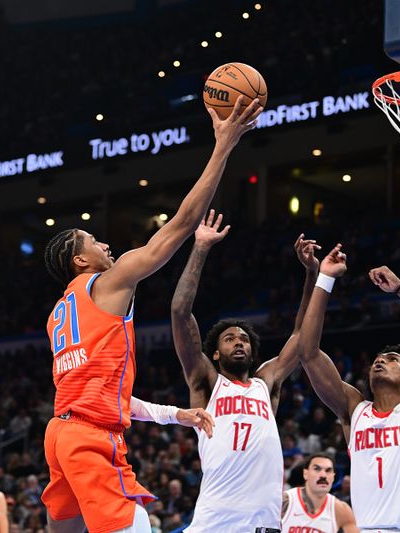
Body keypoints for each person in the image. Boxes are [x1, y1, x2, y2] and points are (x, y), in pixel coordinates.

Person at [41, 96, 263, 533]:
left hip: (61, 434)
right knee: (139, 524)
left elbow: (104, 396)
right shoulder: (108, 282)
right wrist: (224, 145)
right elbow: (181, 224)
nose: (104, 245)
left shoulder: (57, 315)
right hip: (90, 439)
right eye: (92, 241)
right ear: (78, 260)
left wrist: (174, 414)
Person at [168, 210, 321, 532]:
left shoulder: (266, 381)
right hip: (214, 521)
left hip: (262, 523)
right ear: (214, 352)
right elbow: (181, 313)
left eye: (244, 339)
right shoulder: (206, 381)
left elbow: (300, 335)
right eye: (229, 338)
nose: (239, 342)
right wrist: (200, 248)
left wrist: (312, 275)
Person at [298, 249, 400, 533]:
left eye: (392, 359)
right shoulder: (353, 409)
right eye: (378, 358)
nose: (380, 360)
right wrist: (324, 279)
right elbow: (308, 354)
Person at [281, 453, 358, 533]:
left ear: (333, 477)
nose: (323, 475)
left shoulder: (340, 509)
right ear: (305, 474)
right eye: (317, 469)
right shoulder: (285, 500)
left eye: (328, 471)